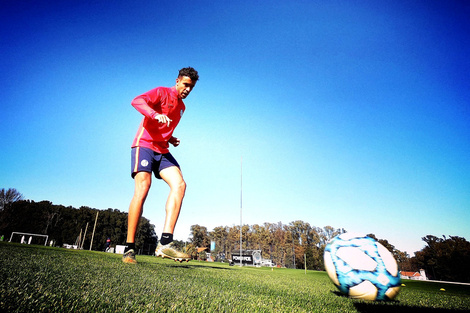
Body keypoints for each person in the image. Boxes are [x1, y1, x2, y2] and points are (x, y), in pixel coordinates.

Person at [122, 67, 199, 264]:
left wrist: (170, 137)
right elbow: (137, 101)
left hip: (162, 150)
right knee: (143, 188)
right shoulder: (161, 92)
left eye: (191, 87)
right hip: (144, 145)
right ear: (177, 81)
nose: (188, 90)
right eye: (185, 85)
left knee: (180, 185)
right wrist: (153, 114)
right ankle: (129, 249)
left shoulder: (182, 107)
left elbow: (164, 126)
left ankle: (165, 243)